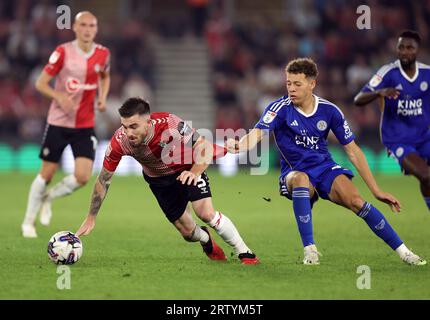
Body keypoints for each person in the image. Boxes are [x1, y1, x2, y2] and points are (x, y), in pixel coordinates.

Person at [226, 58, 426, 266]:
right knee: (302, 179)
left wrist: (376, 190)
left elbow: (353, 151)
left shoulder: (330, 111)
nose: (291, 89)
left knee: (357, 201)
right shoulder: (279, 108)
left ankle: (404, 252)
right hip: (293, 172)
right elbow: (257, 133)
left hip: (324, 168)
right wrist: (241, 145)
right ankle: (310, 250)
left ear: (312, 84)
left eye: (297, 84)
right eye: (288, 83)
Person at [76, 97, 259, 264]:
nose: (128, 132)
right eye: (124, 126)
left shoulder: (170, 123)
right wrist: (91, 217)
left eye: (133, 126)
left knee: (206, 213)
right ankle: (206, 239)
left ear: (148, 122)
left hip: (188, 169)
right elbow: (103, 180)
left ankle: (245, 253)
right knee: (188, 233)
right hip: (159, 182)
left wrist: (195, 172)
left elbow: (203, 147)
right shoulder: (120, 142)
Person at [21, 11, 111, 238]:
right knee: (47, 174)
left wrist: (102, 97)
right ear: (75, 27)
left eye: (92, 25)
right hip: (59, 122)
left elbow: (104, 76)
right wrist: (59, 97)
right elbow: (40, 83)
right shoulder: (63, 52)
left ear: (96, 29)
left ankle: (48, 198)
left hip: (84, 124)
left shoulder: (103, 54)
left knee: (82, 177)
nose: (88, 29)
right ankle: (28, 222)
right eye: (83, 25)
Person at [354, 30, 430, 213]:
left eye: (409, 47)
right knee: (426, 175)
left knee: (427, 178)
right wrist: (379, 92)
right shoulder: (388, 72)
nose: (404, 51)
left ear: (418, 50)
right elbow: (359, 99)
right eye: (401, 47)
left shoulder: (427, 73)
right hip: (398, 139)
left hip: (425, 137)